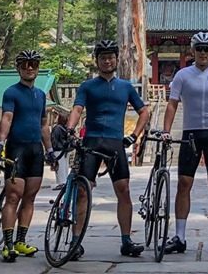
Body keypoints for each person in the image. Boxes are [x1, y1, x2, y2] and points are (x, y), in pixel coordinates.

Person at [66, 39, 151, 259]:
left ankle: (126, 240)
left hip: (115, 143)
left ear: (116, 59)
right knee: (84, 191)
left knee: (123, 190)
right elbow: (77, 108)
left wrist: (133, 136)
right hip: (91, 141)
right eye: (103, 57)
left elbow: (144, 111)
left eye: (111, 57)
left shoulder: (125, 86)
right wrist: (69, 128)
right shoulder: (87, 86)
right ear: (97, 61)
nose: (107, 61)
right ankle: (76, 241)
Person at [161, 31, 208, 256]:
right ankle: (180, 237)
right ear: (192, 51)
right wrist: (166, 131)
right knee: (184, 183)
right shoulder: (182, 75)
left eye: (207, 49)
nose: (203, 53)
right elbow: (172, 104)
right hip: (191, 133)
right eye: (199, 49)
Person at [0, 49, 56, 262]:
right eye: (24, 64)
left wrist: (49, 150)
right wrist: (0, 142)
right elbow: (7, 117)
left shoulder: (40, 95)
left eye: (33, 64)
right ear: (18, 68)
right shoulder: (11, 92)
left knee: (30, 196)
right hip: (16, 148)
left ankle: (21, 240)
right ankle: (8, 243)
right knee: (13, 196)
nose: (29, 68)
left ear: (38, 68)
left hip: (35, 150)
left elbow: (43, 124)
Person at [49, 111, 70, 190]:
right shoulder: (65, 128)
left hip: (58, 149)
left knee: (60, 166)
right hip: (65, 150)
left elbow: (54, 140)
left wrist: (52, 149)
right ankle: (64, 181)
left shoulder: (57, 128)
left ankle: (61, 182)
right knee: (64, 166)